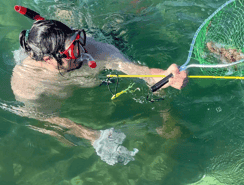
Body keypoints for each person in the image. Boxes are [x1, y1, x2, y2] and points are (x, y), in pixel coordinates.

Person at [10, 18, 188, 164]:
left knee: (117, 29)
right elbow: (41, 116)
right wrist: (92, 136)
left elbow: (143, 73)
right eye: (72, 51)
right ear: (48, 59)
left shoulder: (98, 50)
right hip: (70, 101)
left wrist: (166, 77)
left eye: (78, 41)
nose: (81, 52)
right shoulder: (28, 83)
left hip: (97, 51)